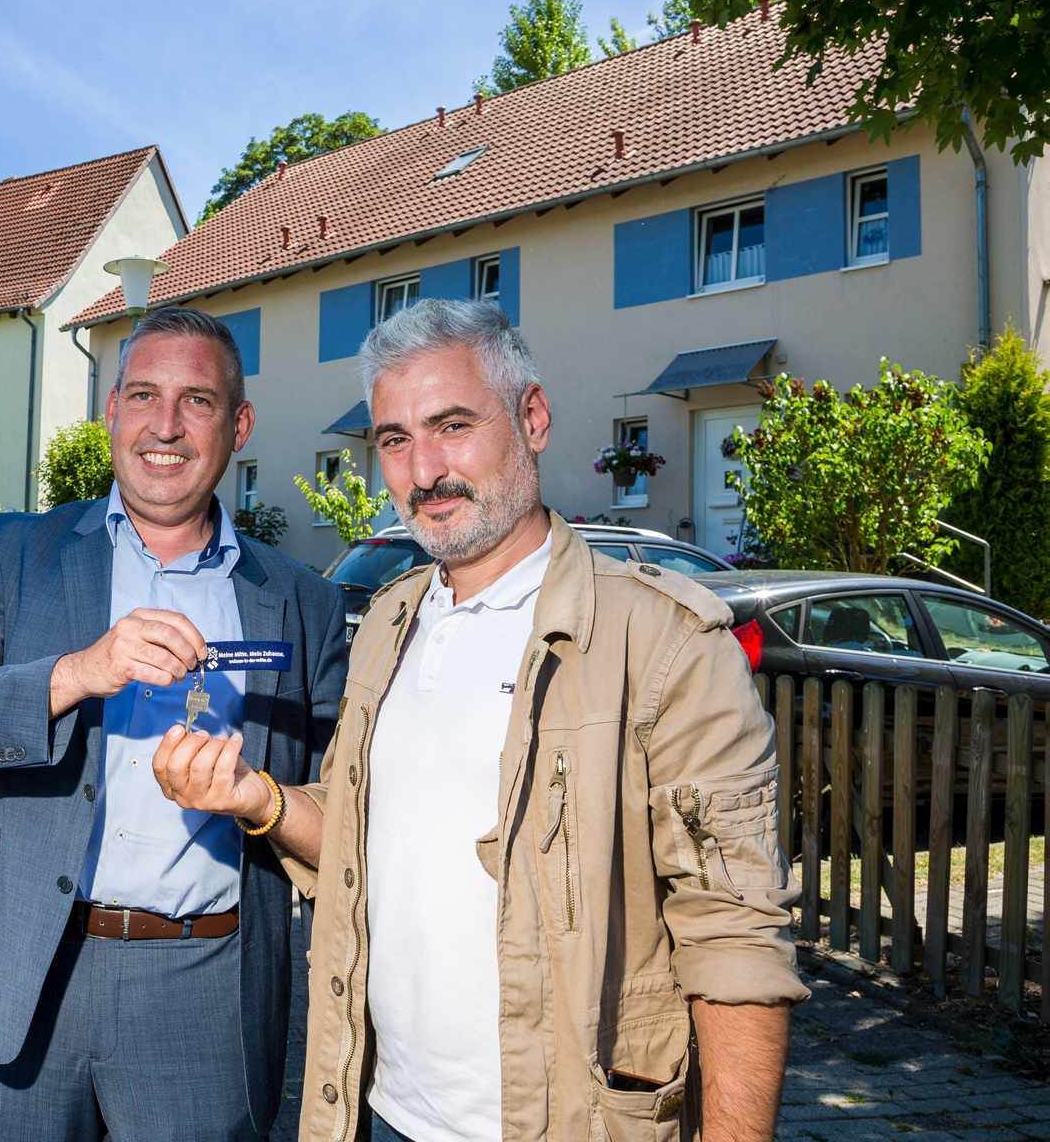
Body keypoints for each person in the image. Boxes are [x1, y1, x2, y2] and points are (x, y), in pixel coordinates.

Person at [155, 299, 807, 1142]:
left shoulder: (664, 644)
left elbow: (736, 937)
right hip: (377, 1110)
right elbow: (361, 849)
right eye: (394, 439)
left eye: (452, 425)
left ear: (531, 418)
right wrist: (258, 799)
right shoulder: (389, 626)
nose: (424, 470)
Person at [0, 306, 349, 1141]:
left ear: (238, 424)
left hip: (206, 984)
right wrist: (78, 673)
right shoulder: (17, 553)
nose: (165, 425)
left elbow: (344, 811)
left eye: (197, 401)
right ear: (110, 411)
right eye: (143, 395)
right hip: (27, 968)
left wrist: (258, 798)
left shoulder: (302, 602)